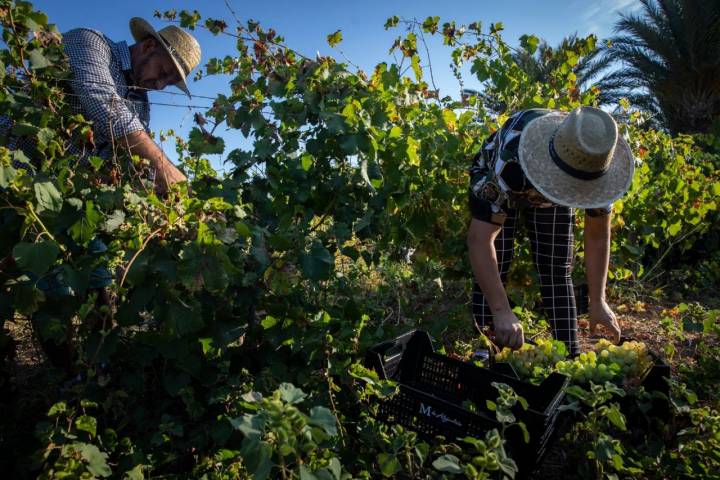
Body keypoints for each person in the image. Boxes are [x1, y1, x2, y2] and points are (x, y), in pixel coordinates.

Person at [466, 106, 634, 355]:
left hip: (556, 170)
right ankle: (487, 346)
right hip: (510, 178)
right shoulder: (508, 165)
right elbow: (480, 241)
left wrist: (598, 301)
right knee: (497, 261)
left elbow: (598, 235)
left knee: (556, 267)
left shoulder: (596, 166)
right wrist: (502, 311)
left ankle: (569, 357)